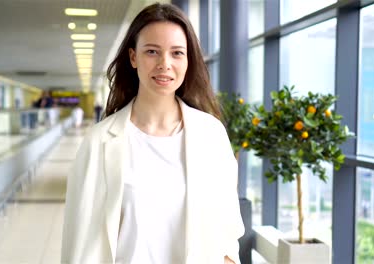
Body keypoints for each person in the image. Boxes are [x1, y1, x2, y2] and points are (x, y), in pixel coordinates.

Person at [61, 3, 244, 264]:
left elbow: (228, 233)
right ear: (133, 58)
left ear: (188, 60)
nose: (164, 64)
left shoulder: (212, 135)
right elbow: (78, 240)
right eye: (152, 52)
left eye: (177, 53)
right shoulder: (99, 142)